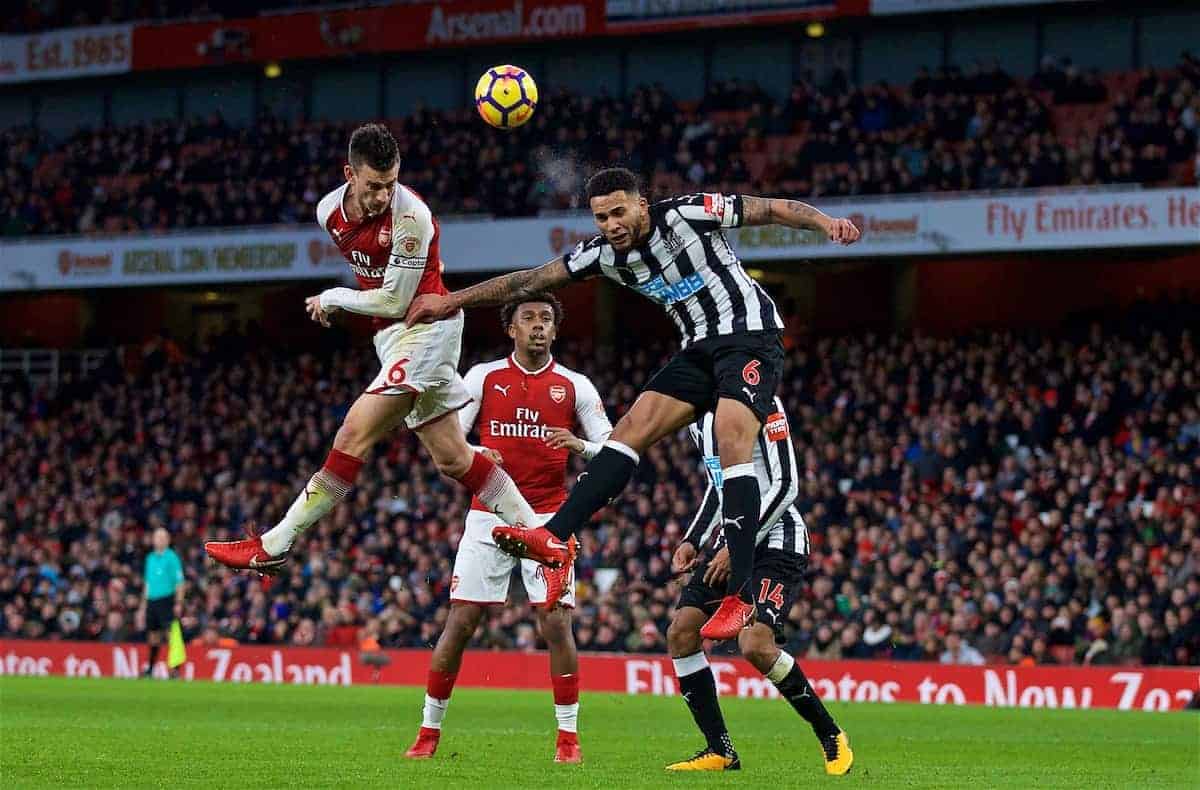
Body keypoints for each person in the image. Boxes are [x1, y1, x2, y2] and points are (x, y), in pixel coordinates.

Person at [407, 167, 860, 639]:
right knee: (629, 430)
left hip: (749, 337)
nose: (611, 224)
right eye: (602, 217)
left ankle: (740, 596)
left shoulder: (688, 213)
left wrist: (825, 223)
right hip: (698, 348)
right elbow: (532, 280)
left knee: (731, 438)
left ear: (642, 204)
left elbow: (769, 208)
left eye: (619, 211)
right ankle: (553, 536)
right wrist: (449, 301)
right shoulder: (602, 255)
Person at [204, 123, 539, 573]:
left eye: (390, 184)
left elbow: (395, 299)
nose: (383, 195)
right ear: (349, 174)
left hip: (427, 328)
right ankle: (543, 538)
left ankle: (275, 543)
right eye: (374, 186)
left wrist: (331, 298)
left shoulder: (411, 216)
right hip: (392, 338)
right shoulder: (329, 212)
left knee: (353, 433)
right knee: (454, 458)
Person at [405, 292, 612, 764]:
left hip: (550, 519)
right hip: (488, 513)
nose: (538, 326)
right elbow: (449, 439)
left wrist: (578, 444)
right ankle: (428, 731)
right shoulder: (482, 377)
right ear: (511, 329)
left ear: (555, 331)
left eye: (546, 319)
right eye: (528, 319)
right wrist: (477, 452)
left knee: (556, 623)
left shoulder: (575, 386)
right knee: (460, 622)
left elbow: (612, 449)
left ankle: (568, 739)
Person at [664, 403, 852, 775]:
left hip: (778, 541)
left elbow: (785, 486)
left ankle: (830, 734)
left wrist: (737, 546)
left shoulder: (763, 403)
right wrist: (693, 539)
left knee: (755, 645)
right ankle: (721, 751)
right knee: (682, 632)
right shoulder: (700, 419)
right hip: (733, 541)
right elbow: (720, 489)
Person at [140, 527, 184, 678]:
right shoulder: (150, 558)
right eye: (156, 537)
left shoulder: (172, 557)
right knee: (153, 635)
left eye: (162, 537)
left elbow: (179, 582)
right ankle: (151, 668)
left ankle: (175, 668)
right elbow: (147, 583)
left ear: (167, 540)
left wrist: (178, 602)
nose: (158, 540)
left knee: (171, 634)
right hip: (152, 601)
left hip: (167, 599)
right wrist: (143, 606)